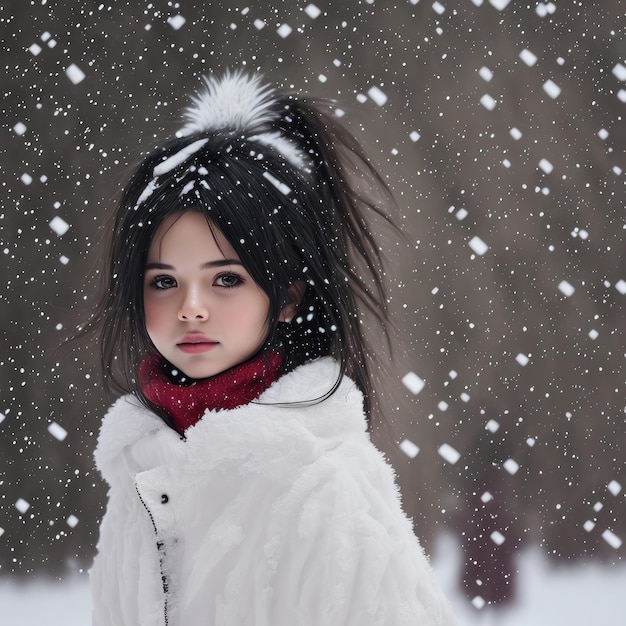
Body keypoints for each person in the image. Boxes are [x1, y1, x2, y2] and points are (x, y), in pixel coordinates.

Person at [86, 70, 456, 626]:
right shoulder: (140, 479)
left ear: (285, 297)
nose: (191, 307)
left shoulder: (325, 491)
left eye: (226, 279)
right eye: (164, 281)